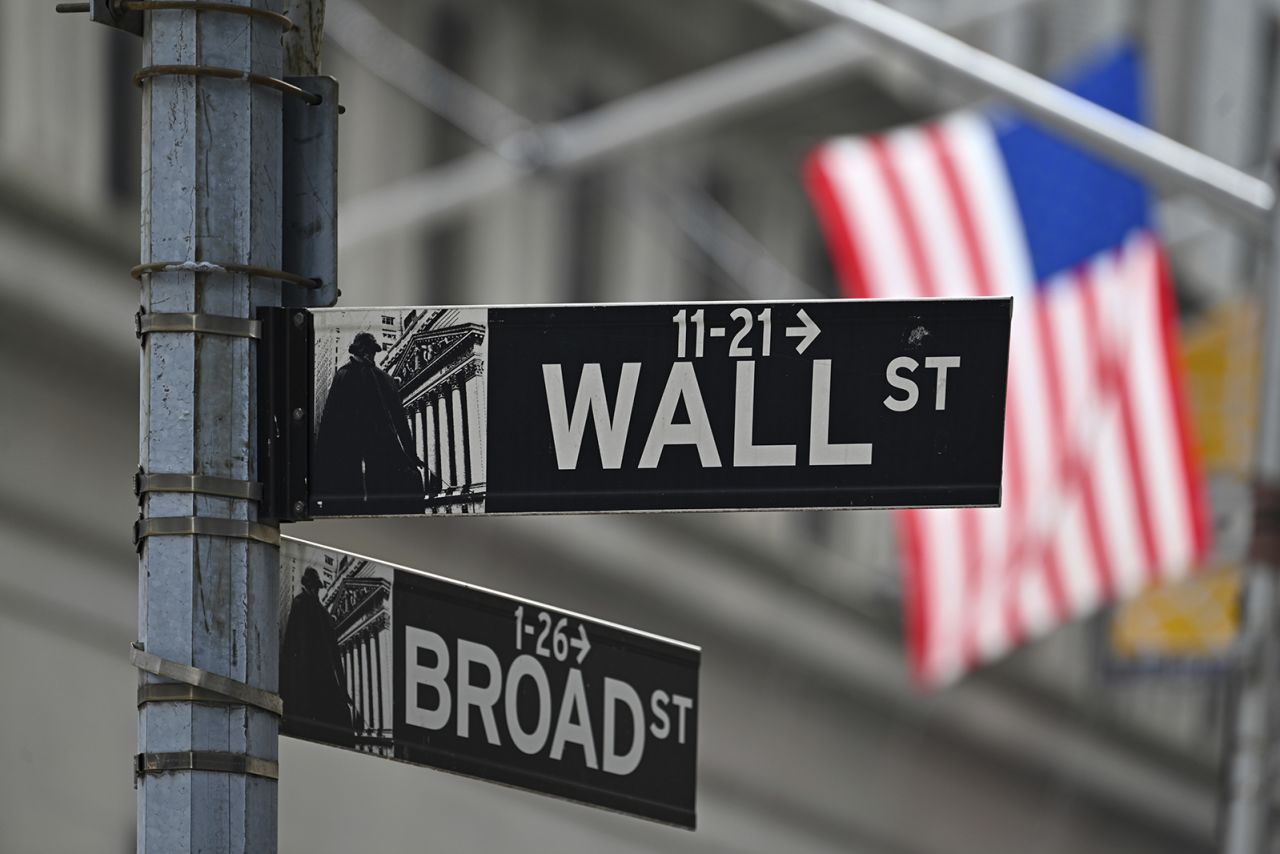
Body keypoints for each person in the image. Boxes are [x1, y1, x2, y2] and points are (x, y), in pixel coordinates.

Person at [313, 331, 439, 515]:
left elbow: (399, 419)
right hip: (356, 452)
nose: (370, 355)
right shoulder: (348, 375)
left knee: (380, 497)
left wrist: (410, 454)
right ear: (360, 351)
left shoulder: (380, 378)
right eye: (367, 351)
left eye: (372, 351)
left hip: (377, 451)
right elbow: (331, 422)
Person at [278, 567, 357, 747]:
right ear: (310, 586)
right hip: (314, 685)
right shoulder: (314, 610)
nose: (316, 590)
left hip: (310, 687)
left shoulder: (310, 608)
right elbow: (294, 647)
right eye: (315, 587)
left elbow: (290, 648)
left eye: (317, 587)